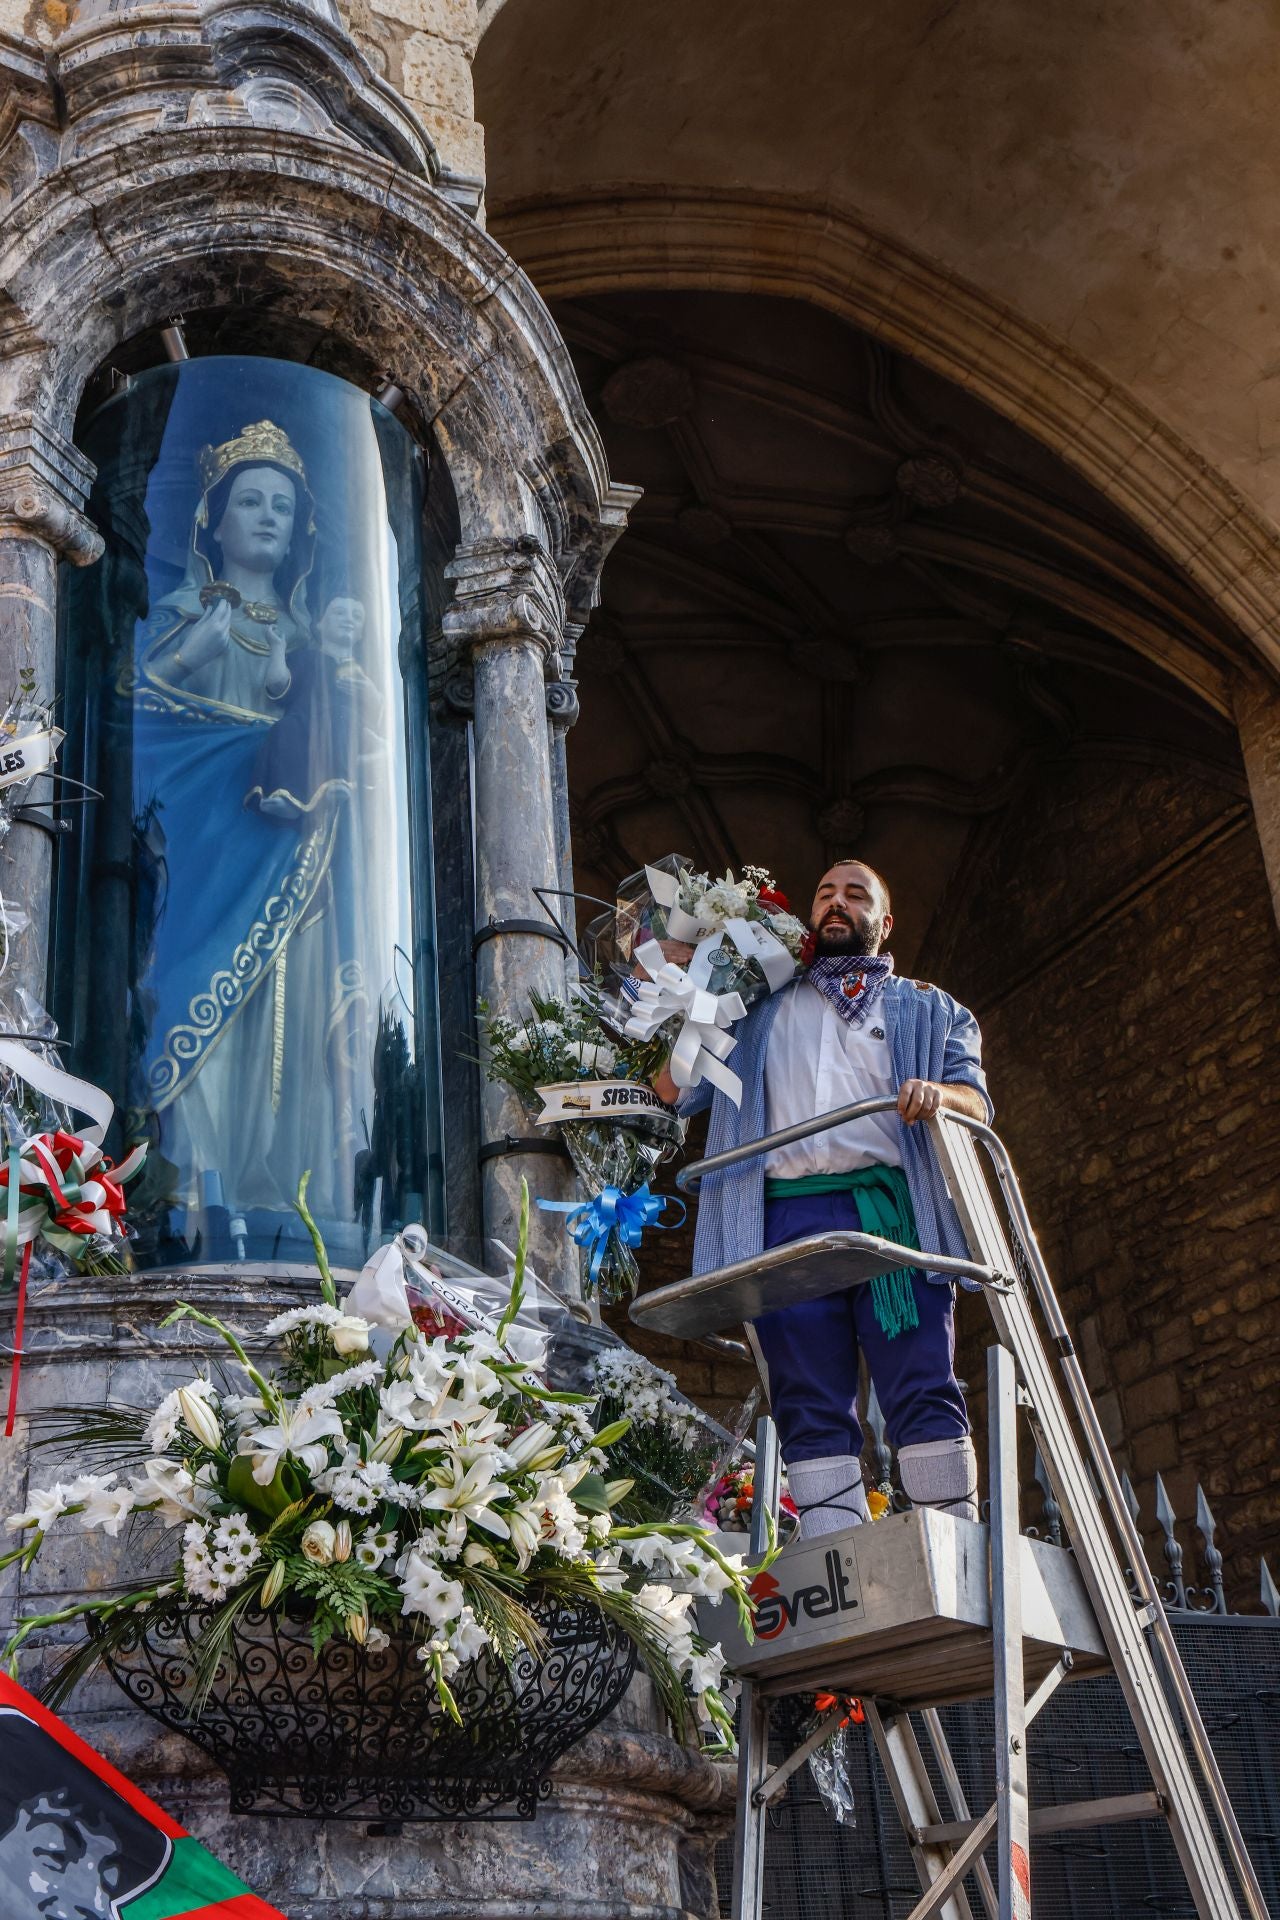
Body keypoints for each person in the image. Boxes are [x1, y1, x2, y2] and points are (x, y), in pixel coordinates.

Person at [657, 858, 991, 1538]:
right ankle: (837, 1554)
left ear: (885, 921)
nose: (837, 904)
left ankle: (952, 1541)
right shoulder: (753, 1010)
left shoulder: (929, 1006)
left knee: (921, 1378)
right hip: (784, 1218)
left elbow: (976, 1100)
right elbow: (672, 1090)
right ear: (810, 916)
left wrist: (938, 1096)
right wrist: (698, 994)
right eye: (825, 894)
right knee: (808, 1395)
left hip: (890, 1214)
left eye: (856, 894)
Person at [124, 420, 360, 1234]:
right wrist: (191, 658)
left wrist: (331, 671)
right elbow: (138, 729)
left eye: (283, 509)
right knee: (196, 1003)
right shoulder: (177, 619)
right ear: (213, 523)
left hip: (288, 861)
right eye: (250, 502)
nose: (266, 518)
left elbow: (344, 760)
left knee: (281, 1026)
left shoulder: (307, 638)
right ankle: (198, 1190)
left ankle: (279, 1194)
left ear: (298, 532)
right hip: (198, 856)